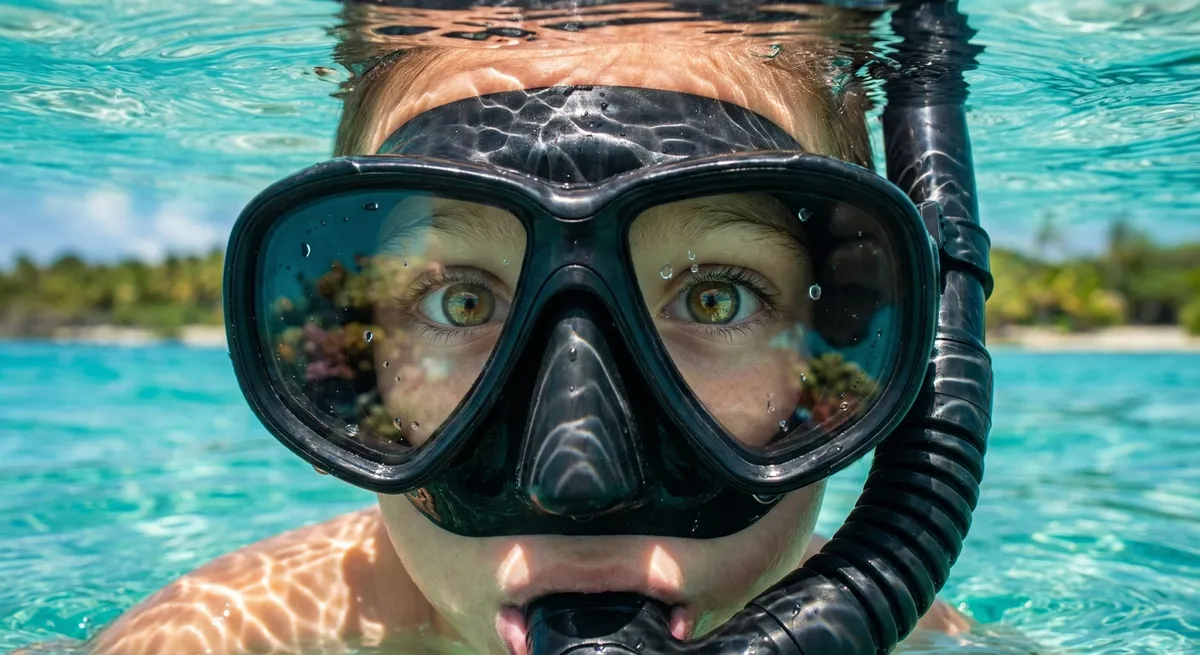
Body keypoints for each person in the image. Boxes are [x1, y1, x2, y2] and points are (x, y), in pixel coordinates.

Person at [88, 4, 986, 655]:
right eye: (460, 303)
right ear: (361, 373)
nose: (578, 482)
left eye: (716, 297)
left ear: (842, 347)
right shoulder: (224, 639)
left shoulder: (931, 643)